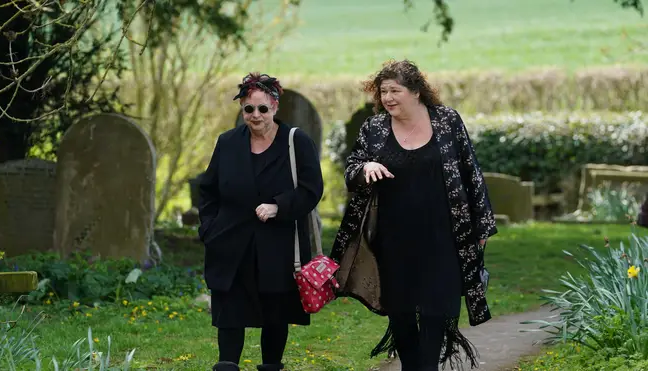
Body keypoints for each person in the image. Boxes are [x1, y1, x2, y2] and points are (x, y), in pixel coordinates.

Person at [330, 60, 497, 371]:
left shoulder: (447, 121)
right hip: (393, 238)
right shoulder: (375, 128)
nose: (388, 98)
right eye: (383, 92)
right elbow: (352, 167)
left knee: (437, 309)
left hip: (443, 235)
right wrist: (365, 168)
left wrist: (482, 224)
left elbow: (470, 171)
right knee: (401, 311)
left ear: (417, 92)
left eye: (396, 91)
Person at [197, 72, 324, 371]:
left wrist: (278, 206)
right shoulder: (227, 142)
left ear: (275, 108)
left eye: (262, 109)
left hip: (277, 245)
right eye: (248, 109)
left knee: (275, 314)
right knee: (229, 314)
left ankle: (271, 366)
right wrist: (209, 229)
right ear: (242, 110)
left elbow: (311, 190)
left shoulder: (296, 142)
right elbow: (208, 190)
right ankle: (227, 366)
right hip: (230, 243)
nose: (255, 115)